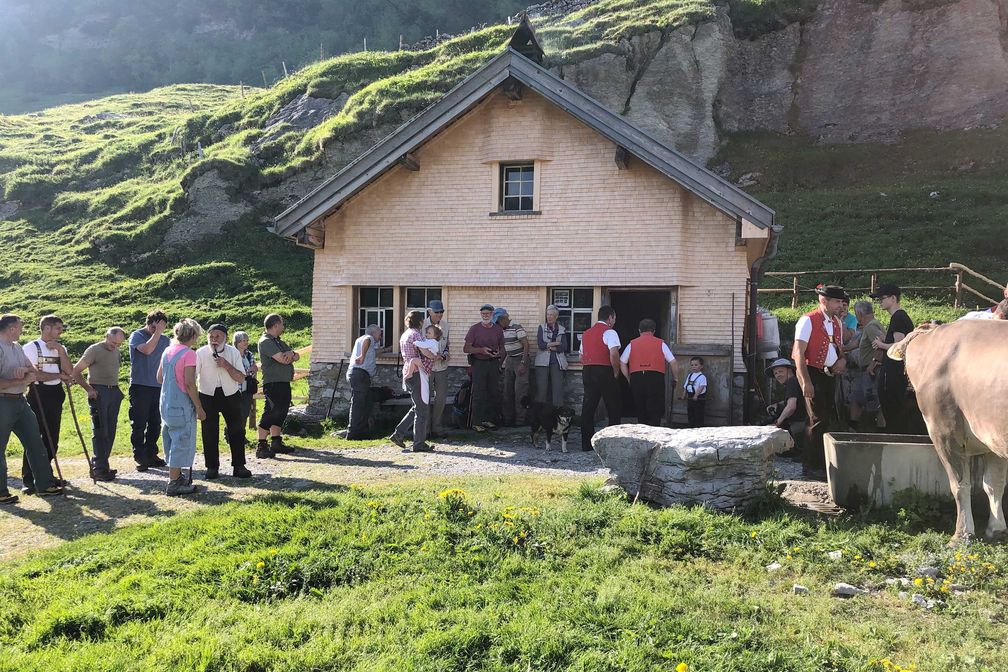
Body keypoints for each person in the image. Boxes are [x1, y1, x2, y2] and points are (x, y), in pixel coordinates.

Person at [0, 314, 63, 503]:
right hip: (3, 402)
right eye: (20, 327)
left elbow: (33, 370)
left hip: (21, 401)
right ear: (11, 328)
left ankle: (44, 485)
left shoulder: (17, 347)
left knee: (36, 441)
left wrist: (26, 372)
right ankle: (1, 492)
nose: (22, 330)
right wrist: (19, 379)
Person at [793, 284, 848, 477]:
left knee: (826, 419)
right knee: (816, 420)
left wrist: (842, 360)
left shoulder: (837, 323)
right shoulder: (807, 320)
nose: (840, 306)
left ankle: (821, 462)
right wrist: (805, 381)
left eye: (841, 302)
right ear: (823, 301)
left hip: (830, 376)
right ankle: (811, 465)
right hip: (813, 372)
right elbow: (798, 353)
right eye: (836, 302)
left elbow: (839, 349)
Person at [22, 314, 73, 493]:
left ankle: (46, 474)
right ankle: (29, 479)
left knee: (53, 438)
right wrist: (58, 376)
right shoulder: (31, 347)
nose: (61, 331)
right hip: (38, 393)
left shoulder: (60, 348)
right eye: (58, 328)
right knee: (36, 437)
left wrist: (60, 351)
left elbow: (70, 371)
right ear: (47, 328)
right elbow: (34, 375)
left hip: (55, 393)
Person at [195, 324, 252, 479]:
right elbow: (193, 376)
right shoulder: (200, 353)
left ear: (225, 337)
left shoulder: (233, 352)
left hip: (230, 394)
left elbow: (241, 377)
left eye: (217, 336)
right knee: (209, 431)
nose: (214, 340)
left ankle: (239, 466)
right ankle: (212, 467)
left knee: (237, 430)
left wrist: (226, 365)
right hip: (207, 394)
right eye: (211, 337)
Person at [72, 326, 128, 481]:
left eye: (118, 344)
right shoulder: (94, 350)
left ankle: (103, 466)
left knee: (110, 431)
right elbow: (76, 371)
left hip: (113, 392)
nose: (115, 346)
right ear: (107, 336)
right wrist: (88, 389)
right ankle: (98, 468)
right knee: (100, 430)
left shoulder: (116, 351)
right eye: (113, 342)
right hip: (99, 393)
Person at [157, 319, 205, 496]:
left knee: (170, 440)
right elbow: (190, 383)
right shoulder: (189, 354)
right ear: (192, 335)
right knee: (181, 441)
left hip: (166, 402)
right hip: (181, 405)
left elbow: (159, 378)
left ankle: (176, 476)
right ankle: (174, 483)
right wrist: (199, 407)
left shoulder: (167, 351)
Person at [128, 309, 170, 470]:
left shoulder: (165, 339)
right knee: (139, 422)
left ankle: (152, 452)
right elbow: (147, 350)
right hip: (140, 385)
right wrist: (157, 333)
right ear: (148, 323)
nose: (158, 330)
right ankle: (139, 454)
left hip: (159, 386)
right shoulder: (137, 335)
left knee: (155, 422)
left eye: (161, 327)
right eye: (155, 327)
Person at [870, 284, 914, 434]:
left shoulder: (899, 317)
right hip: (895, 372)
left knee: (893, 409)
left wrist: (881, 344)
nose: (880, 302)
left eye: (882, 298)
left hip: (894, 373)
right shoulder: (899, 317)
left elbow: (899, 346)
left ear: (893, 298)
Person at [389, 310, 434, 452]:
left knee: (417, 407)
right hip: (417, 374)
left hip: (408, 372)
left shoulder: (405, 334)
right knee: (422, 409)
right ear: (420, 322)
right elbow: (425, 352)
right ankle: (419, 443)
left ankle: (399, 434)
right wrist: (434, 355)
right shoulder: (416, 335)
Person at [257, 313, 299, 458]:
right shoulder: (266, 341)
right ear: (275, 325)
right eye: (281, 324)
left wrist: (291, 353)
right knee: (271, 411)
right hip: (273, 383)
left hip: (283, 382)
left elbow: (296, 355)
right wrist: (289, 355)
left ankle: (276, 442)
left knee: (281, 411)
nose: (283, 327)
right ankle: (261, 445)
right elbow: (283, 359)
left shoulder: (279, 341)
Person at [579, 305, 621, 451]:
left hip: (588, 369)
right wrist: (616, 371)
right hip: (604, 369)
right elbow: (614, 353)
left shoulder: (586, 333)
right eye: (614, 318)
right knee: (613, 405)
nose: (614, 321)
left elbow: (581, 356)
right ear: (610, 318)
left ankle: (586, 444)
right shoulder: (610, 332)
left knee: (588, 406)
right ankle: (613, 442)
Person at [619, 318, 675, 426]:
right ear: (654, 331)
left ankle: (642, 431)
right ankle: (654, 431)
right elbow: (673, 362)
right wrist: (676, 378)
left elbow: (622, 362)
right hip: (656, 377)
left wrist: (628, 378)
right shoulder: (661, 343)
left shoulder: (632, 344)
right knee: (655, 408)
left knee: (640, 408)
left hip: (637, 377)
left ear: (639, 330)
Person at [463, 304, 504, 433]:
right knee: (479, 393)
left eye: (488, 313)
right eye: (483, 314)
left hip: (493, 362)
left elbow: (502, 347)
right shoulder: (474, 329)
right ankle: (477, 422)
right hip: (479, 363)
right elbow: (466, 348)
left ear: (492, 314)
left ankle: (489, 420)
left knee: (493, 392)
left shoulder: (498, 329)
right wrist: (481, 350)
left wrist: (498, 353)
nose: (485, 316)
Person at [345, 324, 382, 440]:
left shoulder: (361, 341)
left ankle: (361, 430)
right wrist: (362, 355)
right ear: (373, 333)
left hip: (359, 374)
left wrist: (388, 349)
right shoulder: (368, 338)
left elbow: (374, 353)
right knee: (358, 403)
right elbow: (367, 341)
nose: (380, 336)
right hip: (359, 373)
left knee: (366, 402)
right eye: (379, 334)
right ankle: (353, 432)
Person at [852, 300, 885, 431]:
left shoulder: (871, 327)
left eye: (856, 314)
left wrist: (874, 361)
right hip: (866, 371)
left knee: (875, 405)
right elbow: (856, 343)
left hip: (872, 371)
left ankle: (878, 434)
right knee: (857, 399)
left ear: (859, 313)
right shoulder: (870, 326)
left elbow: (883, 341)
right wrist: (841, 348)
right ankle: (854, 427)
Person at [495, 308, 530, 426]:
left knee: (520, 390)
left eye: (499, 321)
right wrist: (500, 364)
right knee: (507, 390)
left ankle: (520, 420)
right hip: (509, 359)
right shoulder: (501, 330)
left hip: (520, 358)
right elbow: (504, 349)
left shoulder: (516, 327)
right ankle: (507, 419)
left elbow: (526, 345)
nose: (498, 324)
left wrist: (523, 362)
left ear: (504, 318)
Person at [764, 358, 807, 451]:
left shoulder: (792, 382)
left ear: (790, 370)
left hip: (799, 425)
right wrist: (777, 405)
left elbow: (791, 407)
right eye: (776, 373)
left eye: (781, 371)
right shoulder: (795, 382)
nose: (778, 375)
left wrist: (777, 423)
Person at [422, 300, 450, 438]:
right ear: (429, 311)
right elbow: (420, 347)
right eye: (437, 311)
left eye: (442, 311)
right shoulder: (422, 325)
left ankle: (437, 427)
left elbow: (447, 345)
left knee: (441, 398)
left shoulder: (445, 325)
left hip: (442, 367)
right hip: (427, 367)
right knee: (426, 398)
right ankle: (425, 429)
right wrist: (432, 356)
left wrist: (443, 356)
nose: (440, 314)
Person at [534, 304, 569, 407]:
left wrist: (550, 347)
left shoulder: (562, 329)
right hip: (542, 362)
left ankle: (557, 416)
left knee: (557, 389)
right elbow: (540, 345)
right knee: (541, 390)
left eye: (551, 315)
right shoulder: (541, 327)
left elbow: (564, 347)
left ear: (556, 316)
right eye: (547, 314)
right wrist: (555, 344)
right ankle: (540, 416)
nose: (548, 317)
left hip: (557, 362)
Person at [228, 331, 258, 446]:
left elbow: (253, 367)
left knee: (245, 412)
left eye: (246, 340)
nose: (245, 343)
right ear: (237, 342)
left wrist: (253, 369)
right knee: (235, 413)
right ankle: (230, 434)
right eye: (242, 341)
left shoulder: (249, 354)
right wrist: (247, 371)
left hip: (247, 388)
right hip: (235, 387)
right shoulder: (232, 354)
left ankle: (241, 435)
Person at [683, 357, 708, 428]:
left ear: (701, 366)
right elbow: (686, 386)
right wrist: (683, 395)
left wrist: (696, 395)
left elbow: (701, 386)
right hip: (690, 397)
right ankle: (691, 426)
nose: (693, 367)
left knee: (698, 413)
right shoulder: (690, 375)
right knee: (690, 412)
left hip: (699, 398)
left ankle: (698, 427)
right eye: (692, 365)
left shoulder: (702, 377)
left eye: (696, 365)